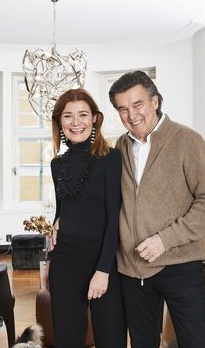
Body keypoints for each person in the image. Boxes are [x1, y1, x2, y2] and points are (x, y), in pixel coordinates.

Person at [108, 71, 205, 348]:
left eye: (137, 104)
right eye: (122, 109)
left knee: (195, 343)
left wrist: (165, 240)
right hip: (132, 269)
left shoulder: (188, 141)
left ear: (155, 101)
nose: (131, 115)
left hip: (180, 266)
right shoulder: (120, 146)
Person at [47, 88, 127, 348]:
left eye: (82, 115)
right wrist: (55, 226)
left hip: (103, 260)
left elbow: (114, 217)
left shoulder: (111, 159)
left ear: (94, 118)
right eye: (68, 116)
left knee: (111, 339)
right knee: (67, 340)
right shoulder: (57, 164)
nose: (75, 122)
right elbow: (64, 209)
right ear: (59, 122)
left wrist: (103, 270)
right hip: (64, 262)